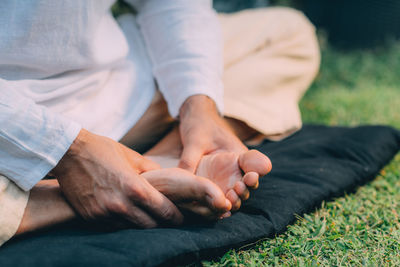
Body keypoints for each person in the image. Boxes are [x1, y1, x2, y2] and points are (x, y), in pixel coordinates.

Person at [0, 0, 319, 246]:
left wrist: (198, 104)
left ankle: (168, 159)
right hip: (12, 130)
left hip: (109, 89)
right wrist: (66, 150)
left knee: (287, 34)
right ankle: (98, 193)